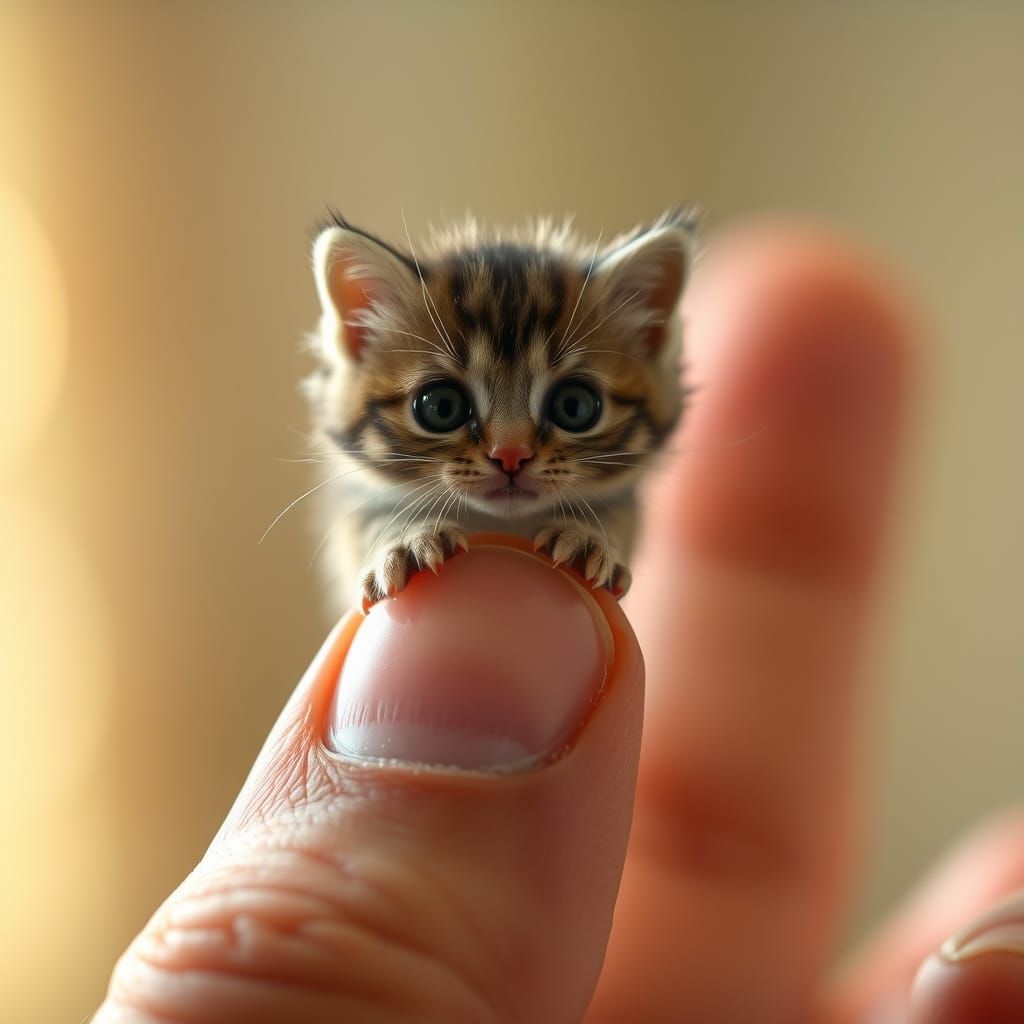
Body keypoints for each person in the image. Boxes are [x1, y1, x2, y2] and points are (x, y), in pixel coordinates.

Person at [94, 226, 1024, 1023]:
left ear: (651, 347)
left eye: (569, 407)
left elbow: (614, 523)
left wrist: (590, 541)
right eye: (443, 407)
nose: (508, 452)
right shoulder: (376, 501)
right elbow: (363, 542)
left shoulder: (603, 503)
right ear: (356, 339)